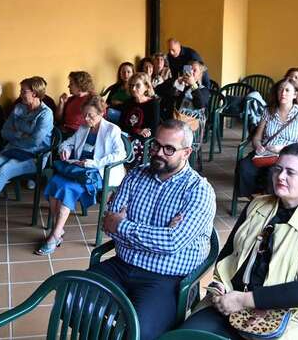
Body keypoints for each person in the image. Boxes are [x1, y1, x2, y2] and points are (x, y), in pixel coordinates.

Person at [178, 144, 298, 340]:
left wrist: (246, 300)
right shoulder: (258, 206)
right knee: (188, 336)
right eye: (278, 169)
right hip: (231, 303)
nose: (281, 176)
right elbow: (229, 254)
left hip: (293, 317)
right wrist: (220, 288)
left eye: (290, 172)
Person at [88, 119, 216, 340]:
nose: (158, 153)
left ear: (186, 153)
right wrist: (160, 234)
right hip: (122, 265)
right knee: (72, 300)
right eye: (156, 145)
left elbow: (172, 242)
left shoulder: (198, 191)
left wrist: (123, 225)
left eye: (169, 149)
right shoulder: (136, 175)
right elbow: (108, 224)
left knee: (140, 333)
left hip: (166, 278)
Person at [37, 96, 127, 255]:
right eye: (84, 115)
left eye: (90, 115)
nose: (86, 119)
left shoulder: (112, 130)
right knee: (54, 183)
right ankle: (59, 228)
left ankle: (55, 234)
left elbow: (120, 154)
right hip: (79, 170)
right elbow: (67, 143)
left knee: (67, 188)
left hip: (97, 173)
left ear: (102, 113)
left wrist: (93, 163)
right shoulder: (84, 127)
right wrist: (65, 150)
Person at [237, 79, 298, 198]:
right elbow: (257, 137)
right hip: (266, 154)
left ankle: (272, 201)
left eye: (287, 90)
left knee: (273, 172)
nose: (283, 93)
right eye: (280, 90)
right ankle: (253, 199)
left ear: (295, 94)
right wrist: (258, 146)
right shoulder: (268, 111)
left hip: (290, 154)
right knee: (244, 166)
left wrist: (283, 148)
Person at [0, 76, 54, 195]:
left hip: (35, 156)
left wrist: (15, 136)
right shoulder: (19, 108)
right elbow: (4, 132)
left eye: (23, 91)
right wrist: (21, 134)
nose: (20, 94)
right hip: (12, 149)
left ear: (34, 93)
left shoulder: (45, 114)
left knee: (4, 170)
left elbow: (34, 142)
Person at [119, 72, 160, 167]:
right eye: (131, 85)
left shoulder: (153, 104)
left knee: (132, 146)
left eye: (137, 85)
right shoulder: (128, 103)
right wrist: (137, 130)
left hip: (143, 141)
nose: (133, 89)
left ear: (146, 87)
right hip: (128, 135)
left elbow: (154, 128)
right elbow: (121, 124)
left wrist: (142, 132)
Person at [56, 71, 95, 135]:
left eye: (71, 84)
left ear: (80, 85)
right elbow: (58, 118)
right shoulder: (71, 99)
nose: (68, 86)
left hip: (79, 134)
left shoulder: (92, 100)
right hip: (64, 130)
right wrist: (61, 103)